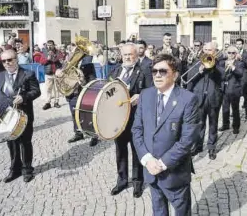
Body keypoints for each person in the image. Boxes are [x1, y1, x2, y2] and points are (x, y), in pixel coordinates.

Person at [132, 53, 200, 216]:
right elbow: (137, 130)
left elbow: (187, 140)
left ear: (175, 75)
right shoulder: (146, 95)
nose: (157, 75)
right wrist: (147, 159)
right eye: (154, 71)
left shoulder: (188, 99)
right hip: (151, 171)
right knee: (158, 211)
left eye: (162, 71)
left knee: (182, 212)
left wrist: (161, 164)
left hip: (174, 174)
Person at [0, 49, 41, 183]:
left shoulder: (28, 74)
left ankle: (27, 169)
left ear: (16, 60)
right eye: (4, 61)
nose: (7, 63)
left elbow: (36, 91)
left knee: (25, 143)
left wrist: (24, 97)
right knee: (11, 144)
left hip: (23, 115)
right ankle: (15, 169)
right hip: (5, 117)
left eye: (10, 60)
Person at [109, 43, 153, 198]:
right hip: (118, 119)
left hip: (135, 119)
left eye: (131, 55)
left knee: (136, 151)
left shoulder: (144, 71)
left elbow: (153, 91)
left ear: (136, 55)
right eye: (125, 54)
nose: (128, 57)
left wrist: (141, 96)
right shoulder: (115, 70)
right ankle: (121, 181)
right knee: (120, 151)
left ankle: (137, 183)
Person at [187, 42, 224, 160]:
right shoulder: (197, 62)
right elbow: (190, 78)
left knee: (213, 124)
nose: (208, 52)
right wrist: (199, 70)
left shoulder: (219, 63)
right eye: (206, 50)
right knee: (199, 124)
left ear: (215, 51)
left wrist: (213, 66)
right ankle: (198, 146)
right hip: (199, 98)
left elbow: (222, 75)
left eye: (210, 50)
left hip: (213, 98)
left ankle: (212, 147)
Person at [62, 53, 99, 146]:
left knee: (87, 115)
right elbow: (62, 77)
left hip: (83, 93)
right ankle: (78, 133)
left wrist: (83, 81)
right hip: (72, 94)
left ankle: (93, 135)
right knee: (74, 114)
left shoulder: (88, 65)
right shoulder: (67, 64)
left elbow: (93, 80)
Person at [219, 46, 244, 134]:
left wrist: (233, 67)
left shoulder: (239, 63)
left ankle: (236, 126)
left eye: (233, 53)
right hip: (224, 89)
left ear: (236, 54)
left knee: (235, 109)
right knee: (225, 108)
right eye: (229, 52)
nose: (231, 55)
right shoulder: (222, 62)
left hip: (234, 89)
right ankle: (225, 124)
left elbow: (240, 74)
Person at [40, 40, 62, 110]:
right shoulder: (44, 52)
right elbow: (41, 62)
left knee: (56, 89)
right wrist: (47, 59)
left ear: (53, 45)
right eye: (48, 45)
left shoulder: (58, 52)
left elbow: (60, 59)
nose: (49, 46)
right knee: (48, 89)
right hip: (48, 73)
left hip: (56, 73)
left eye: (50, 45)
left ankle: (56, 102)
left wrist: (54, 56)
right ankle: (48, 103)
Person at [235, 39, 247, 120]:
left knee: (246, 97)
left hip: (245, 77)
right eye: (237, 44)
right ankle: (235, 111)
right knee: (235, 96)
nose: (238, 45)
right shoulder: (233, 52)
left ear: (242, 45)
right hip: (236, 77)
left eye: (240, 44)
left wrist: (241, 58)